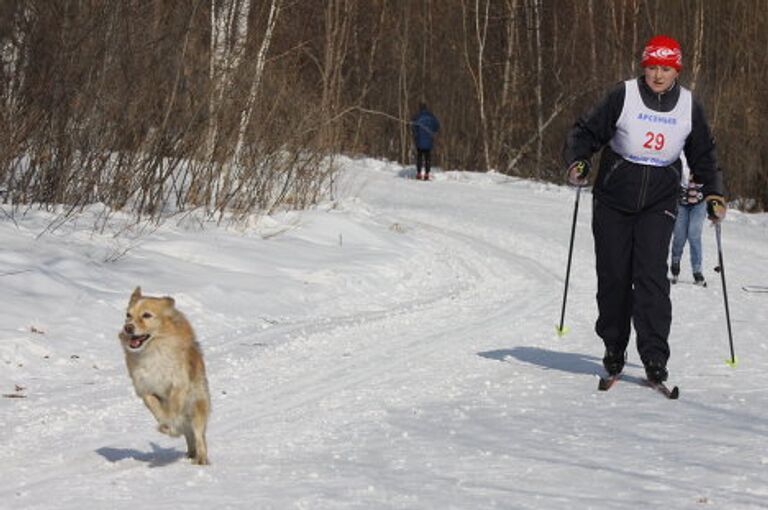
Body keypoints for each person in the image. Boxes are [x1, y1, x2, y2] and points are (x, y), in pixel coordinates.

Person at [562, 34, 726, 383]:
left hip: (659, 200)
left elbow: (703, 154)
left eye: (665, 68)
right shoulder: (624, 94)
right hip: (613, 197)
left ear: (676, 70)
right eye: (652, 67)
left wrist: (714, 193)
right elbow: (587, 131)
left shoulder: (689, 105)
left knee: (651, 275)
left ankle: (654, 356)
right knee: (614, 275)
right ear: (644, 66)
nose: (658, 75)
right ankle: (614, 346)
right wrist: (578, 160)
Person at [670, 153, 708, 286]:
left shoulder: (703, 151)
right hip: (681, 202)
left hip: (699, 201)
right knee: (679, 236)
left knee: (694, 235)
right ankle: (675, 262)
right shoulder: (677, 151)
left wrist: (716, 200)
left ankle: (697, 270)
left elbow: (714, 174)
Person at [411, 103, 440, 180]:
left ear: (420, 108)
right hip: (429, 140)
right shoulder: (431, 116)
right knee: (427, 157)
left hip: (419, 140)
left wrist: (415, 135)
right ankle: (427, 174)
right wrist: (432, 131)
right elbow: (437, 126)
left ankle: (419, 173)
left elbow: (413, 127)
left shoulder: (417, 116)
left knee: (419, 157)